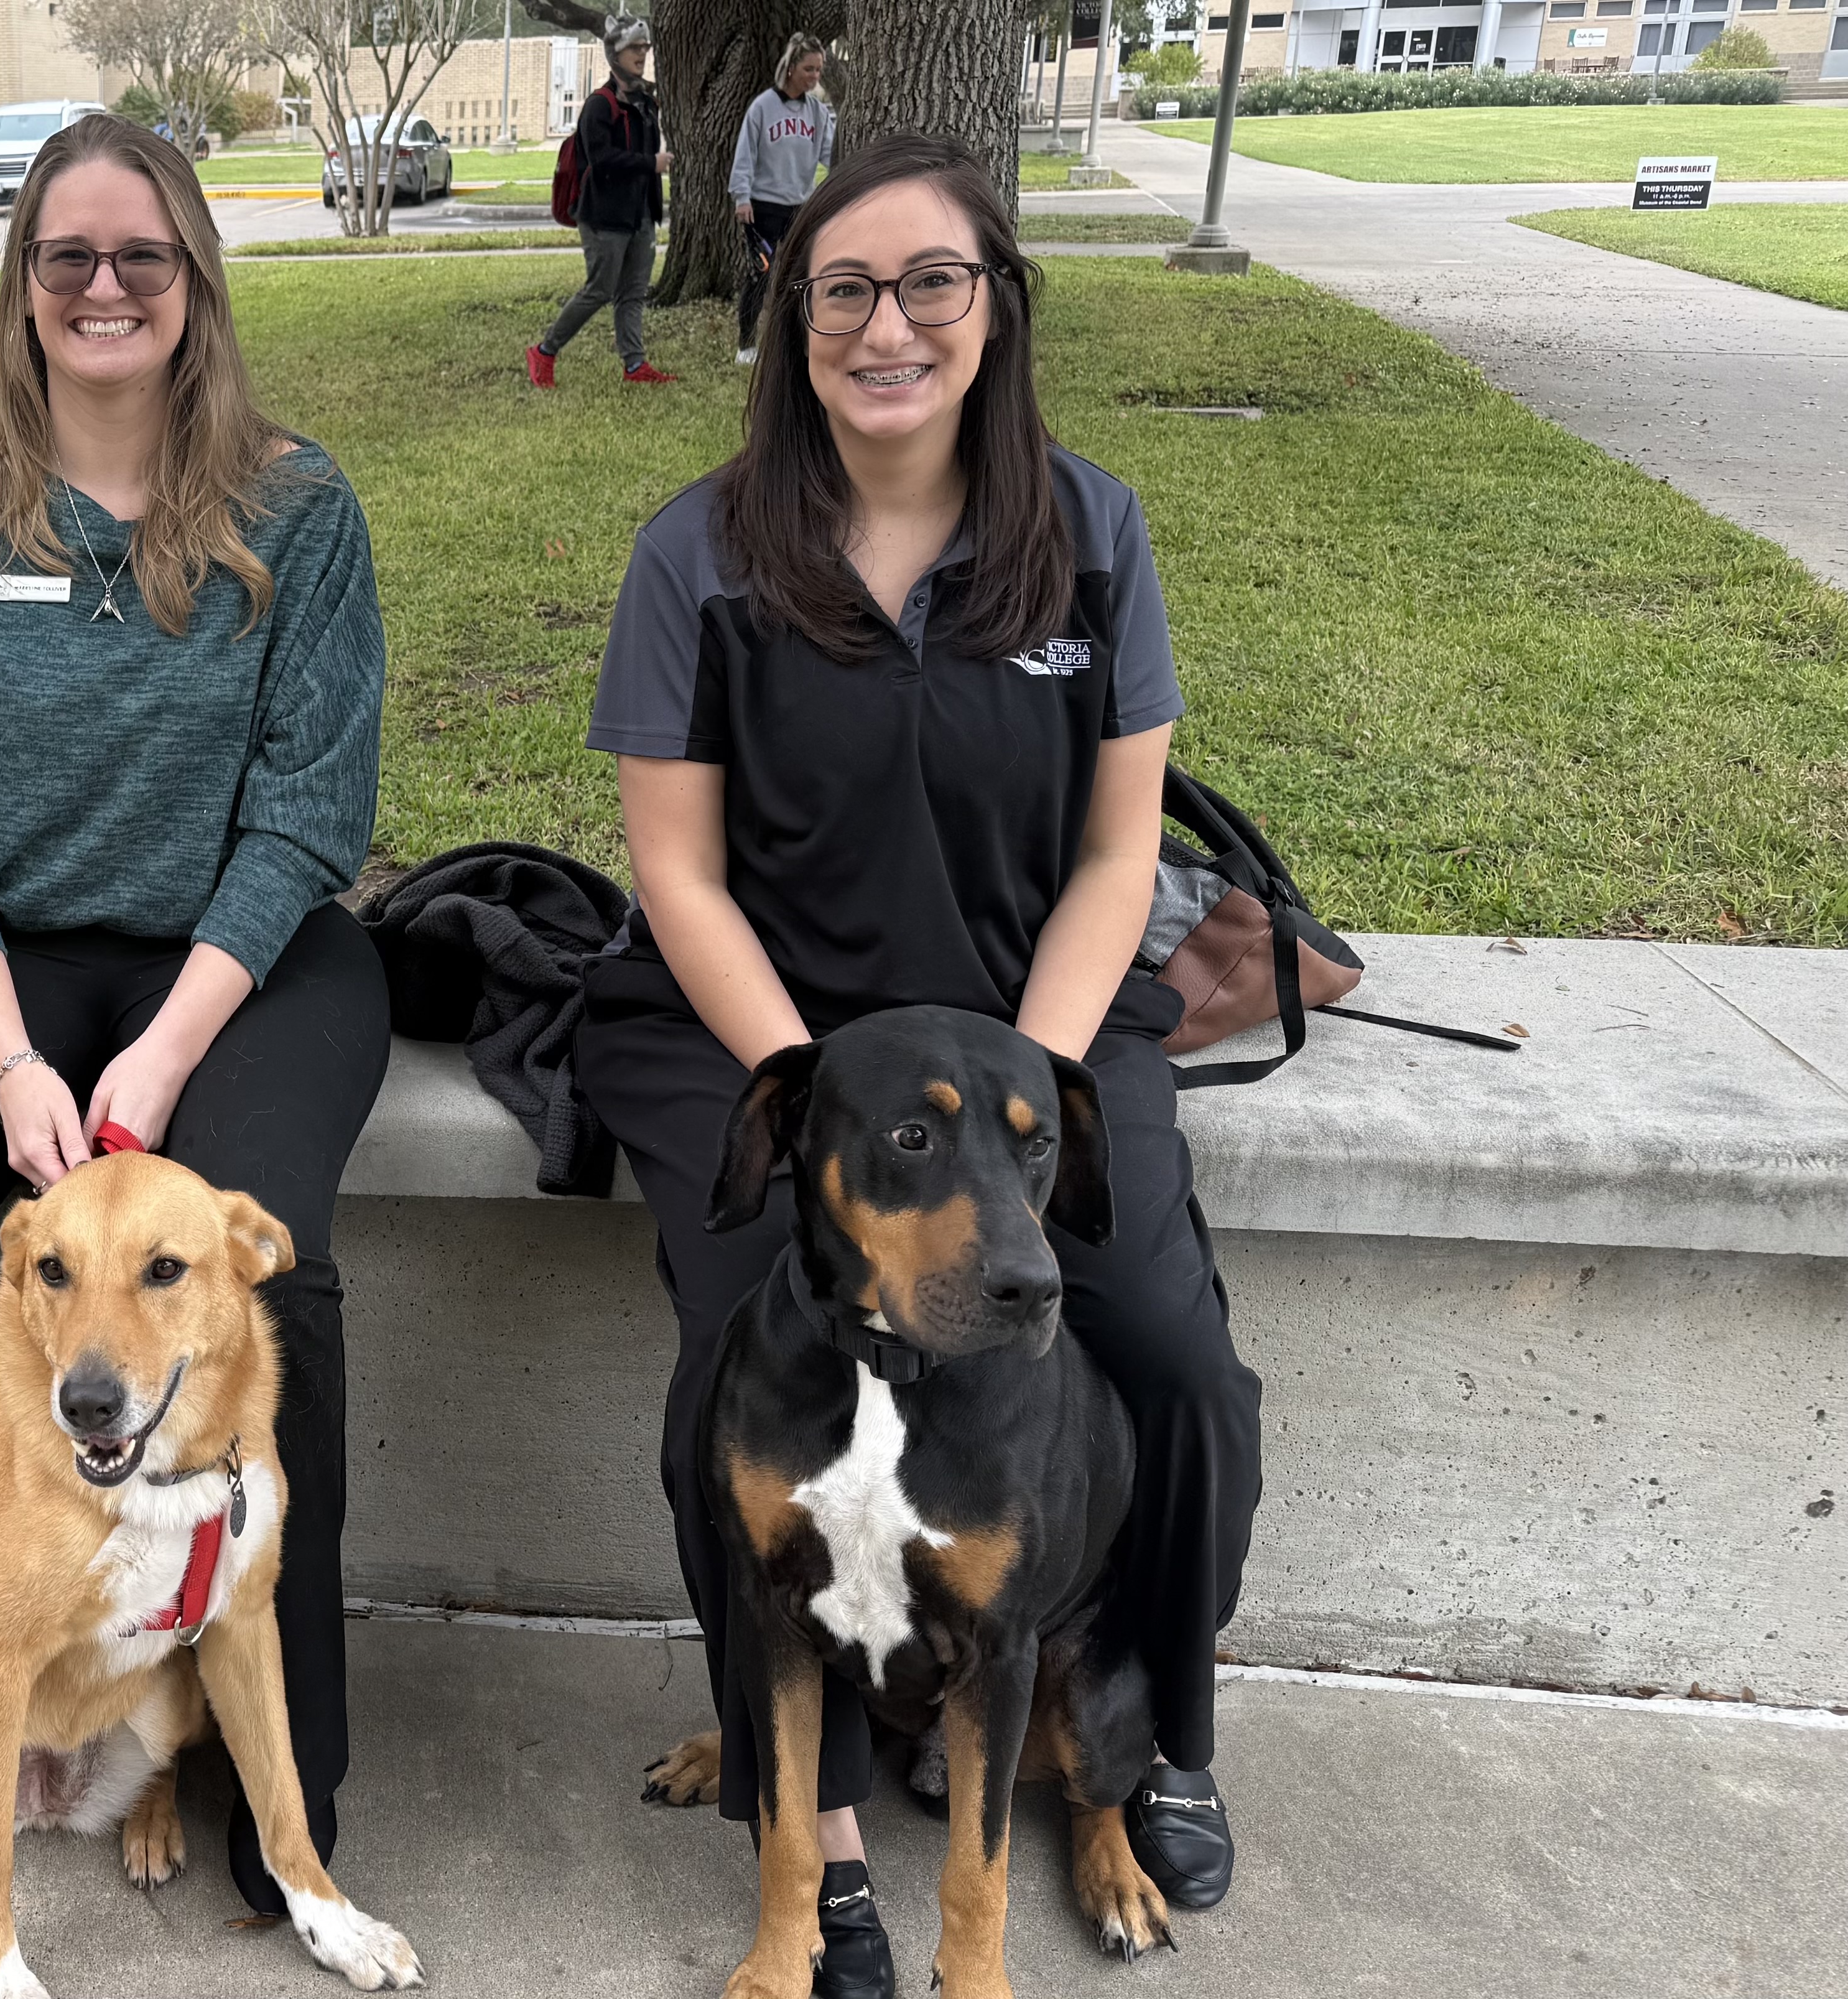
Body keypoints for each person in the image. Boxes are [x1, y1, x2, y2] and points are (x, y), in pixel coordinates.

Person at [573, 136, 1258, 1997]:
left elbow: (1118, 854)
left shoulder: (1090, 534)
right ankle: (817, 1843)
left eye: (931, 283)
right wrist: (822, 1097)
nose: (888, 328)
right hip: (763, 1033)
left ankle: (1149, 1732)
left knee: (1171, 1354)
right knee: (734, 1357)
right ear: (790, 320)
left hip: (1034, 1025)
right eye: (844, 291)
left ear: (994, 307)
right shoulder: (698, 553)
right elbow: (676, 874)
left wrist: (1025, 1107)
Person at [0, 114, 394, 1920]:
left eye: (141, 257)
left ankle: (290, 1771)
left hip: (246, 956)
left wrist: (165, 1050)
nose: (104, 287)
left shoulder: (299, 509)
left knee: (279, 1294)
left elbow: (309, 811)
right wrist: (15, 1056)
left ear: (195, 280)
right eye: (68, 258)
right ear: (24, 284)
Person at [529, 16, 676, 388]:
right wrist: (651, 163)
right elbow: (601, 159)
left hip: (641, 216)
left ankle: (635, 365)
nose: (642, 54)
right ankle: (544, 352)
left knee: (633, 294)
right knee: (599, 290)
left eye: (645, 48)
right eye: (634, 48)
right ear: (615, 54)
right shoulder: (599, 105)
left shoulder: (647, 103)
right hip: (603, 217)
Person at [731, 33, 836, 365]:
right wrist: (741, 197)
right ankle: (746, 346)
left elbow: (831, 155)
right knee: (760, 277)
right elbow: (745, 155)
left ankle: (797, 342)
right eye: (809, 69)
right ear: (791, 68)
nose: (815, 77)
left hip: (799, 207)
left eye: (818, 70)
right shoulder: (763, 107)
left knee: (801, 276)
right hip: (763, 207)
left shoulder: (817, 112)